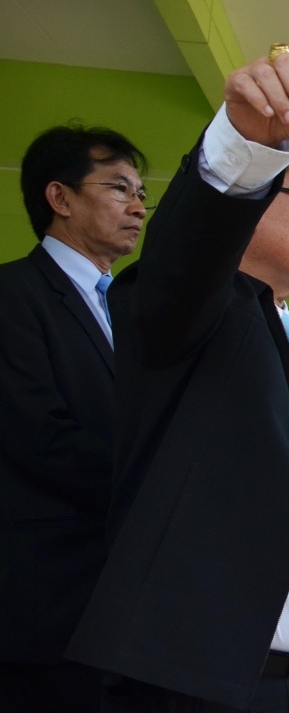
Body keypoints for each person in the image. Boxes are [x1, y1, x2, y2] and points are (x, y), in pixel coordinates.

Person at [68, 0, 289, 711]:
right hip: (219, 688)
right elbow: (182, 259)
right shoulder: (199, 317)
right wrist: (247, 151)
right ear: (256, 200)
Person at [0, 124, 147, 711]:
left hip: (123, 605)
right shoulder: (13, 294)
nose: (138, 207)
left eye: (141, 193)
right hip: (47, 601)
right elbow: (37, 433)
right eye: (119, 188)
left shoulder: (132, 308)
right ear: (59, 198)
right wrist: (153, 487)